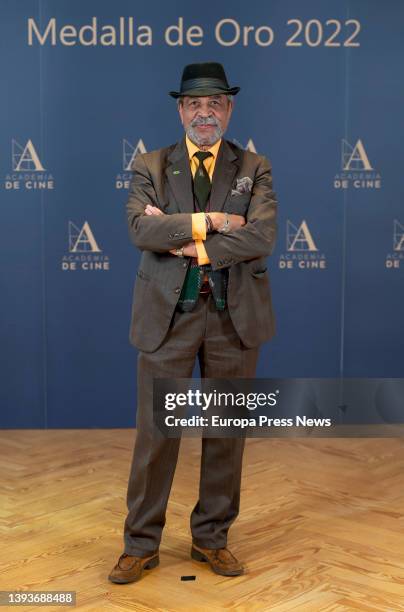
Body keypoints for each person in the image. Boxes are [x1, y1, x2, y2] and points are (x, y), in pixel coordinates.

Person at [108, 62, 277, 584]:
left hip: (234, 320)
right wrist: (218, 222)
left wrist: (186, 242)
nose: (205, 112)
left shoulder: (254, 165)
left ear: (230, 109)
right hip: (168, 319)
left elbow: (262, 237)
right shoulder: (151, 165)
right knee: (158, 435)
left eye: (216, 103)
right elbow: (140, 229)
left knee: (226, 436)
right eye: (195, 104)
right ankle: (141, 544)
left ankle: (211, 539)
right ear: (181, 110)